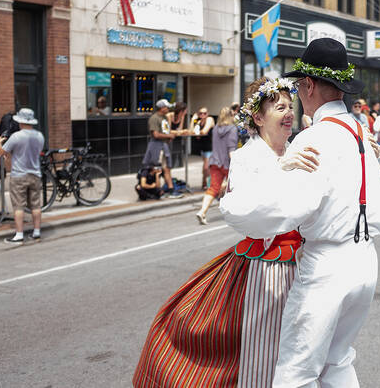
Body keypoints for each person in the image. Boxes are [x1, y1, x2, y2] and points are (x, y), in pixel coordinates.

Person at [221, 38, 380, 388]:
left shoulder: (315, 138)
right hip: (366, 261)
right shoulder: (360, 131)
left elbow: (284, 209)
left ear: (309, 85)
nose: (295, 98)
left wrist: (233, 205)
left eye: (297, 88)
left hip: (328, 264)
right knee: (337, 361)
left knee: (296, 373)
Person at [134, 77, 319, 387]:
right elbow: (241, 211)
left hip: (302, 263)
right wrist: (283, 170)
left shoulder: (296, 148)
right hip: (267, 268)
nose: (289, 113)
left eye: (291, 106)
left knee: (301, 350)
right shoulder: (248, 157)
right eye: (280, 107)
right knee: (263, 351)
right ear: (258, 118)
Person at [0, 108, 44, 244]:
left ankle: (19, 235)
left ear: (20, 122)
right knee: (35, 206)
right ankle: (36, 232)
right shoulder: (40, 136)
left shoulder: (16, 136)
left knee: (18, 207)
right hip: (35, 174)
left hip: (19, 175)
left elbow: (2, 152)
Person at [195, 105, 238, 224]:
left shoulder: (215, 129)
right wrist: (236, 165)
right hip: (227, 164)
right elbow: (231, 150)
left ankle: (202, 211)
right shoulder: (232, 129)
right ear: (231, 116)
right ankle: (235, 214)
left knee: (213, 188)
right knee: (235, 187)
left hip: (214, 161)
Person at [142, 99, 182, 199]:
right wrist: (168, 136)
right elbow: (155, 134)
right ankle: (162, 190)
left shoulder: (164, 117)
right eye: (167, 107)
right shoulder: (154, 118)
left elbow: (166, 129)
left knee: (166, 168)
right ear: (161, 108)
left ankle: (169, 189)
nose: (168, 108)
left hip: (164, 147)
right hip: (157, 147)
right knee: (159, 169)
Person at [189, 107, 215, 190]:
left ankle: (207, 184)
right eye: (200, 113)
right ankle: (205, 183)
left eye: (205, 113)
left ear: (208, 114)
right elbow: (191, 131)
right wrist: (193, 119)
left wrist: (198, 133)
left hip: (211, 146)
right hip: (203, 147)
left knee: (206, 167)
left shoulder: (210, 119)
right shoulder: (199, 122)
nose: (203, 115)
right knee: (206, 166)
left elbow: (204, 131)